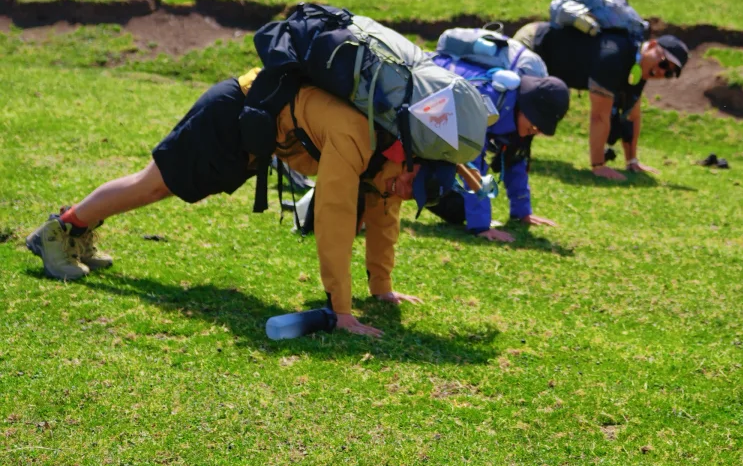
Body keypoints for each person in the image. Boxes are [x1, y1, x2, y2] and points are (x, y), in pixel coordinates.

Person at [23, 65, 455, 338]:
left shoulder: (390, 161)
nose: (403, 192)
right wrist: (341, 311)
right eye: (409, 183)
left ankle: (78, 231)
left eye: (413, 195)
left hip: (256, 135)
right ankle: (60, 230)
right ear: (410, 159)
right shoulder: (358, 137)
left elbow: (383, 217)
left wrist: (381, 289)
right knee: (156, 184)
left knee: (164, 187)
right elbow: (334, 217)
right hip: (234, 111)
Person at [514, 22, 688, 181]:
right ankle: (501, 148)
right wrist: (599, 166)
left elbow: (632, 115)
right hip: (535, 42)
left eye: (669, 73)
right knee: (521, 101)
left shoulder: (638, 69)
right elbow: (599, 116)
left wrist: (632, 161)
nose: (660, 72)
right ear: (651, 45)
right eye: (664, 64)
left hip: (556, 62)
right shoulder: (613, 56)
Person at [426, 62, 570, 239]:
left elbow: (514, 158)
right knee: (447, 202)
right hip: (423, 113)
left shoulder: (517, 112)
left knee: (455, 206)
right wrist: (481, 226)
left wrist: (522, 212)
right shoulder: (487, 103)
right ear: (527, 108)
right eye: (536, 124)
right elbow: (473, 164)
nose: (537, 130)